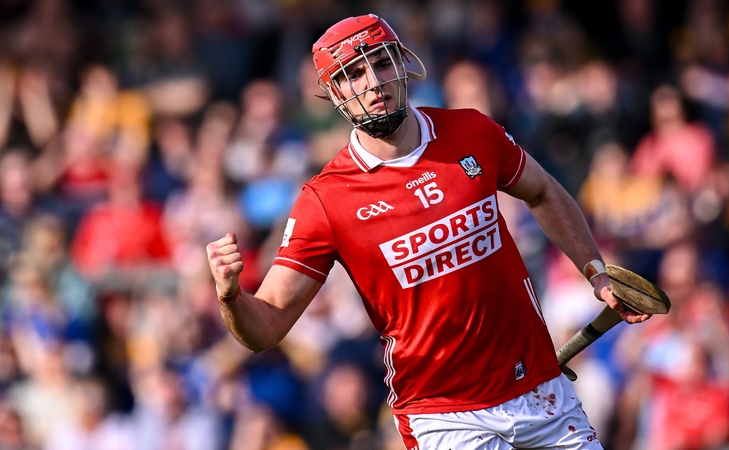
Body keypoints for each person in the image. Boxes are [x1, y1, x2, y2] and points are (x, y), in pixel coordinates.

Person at [206, 14, 650, 450]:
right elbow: (266, 326)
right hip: (444, 416)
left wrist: (595, 272)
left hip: (541, 388)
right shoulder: (325, 200)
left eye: (381, 63)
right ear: (333, 93)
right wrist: (231, 296)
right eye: (353, 74)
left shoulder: (471, 131)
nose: (373, 83)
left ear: (403, 63)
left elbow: (545, 192)